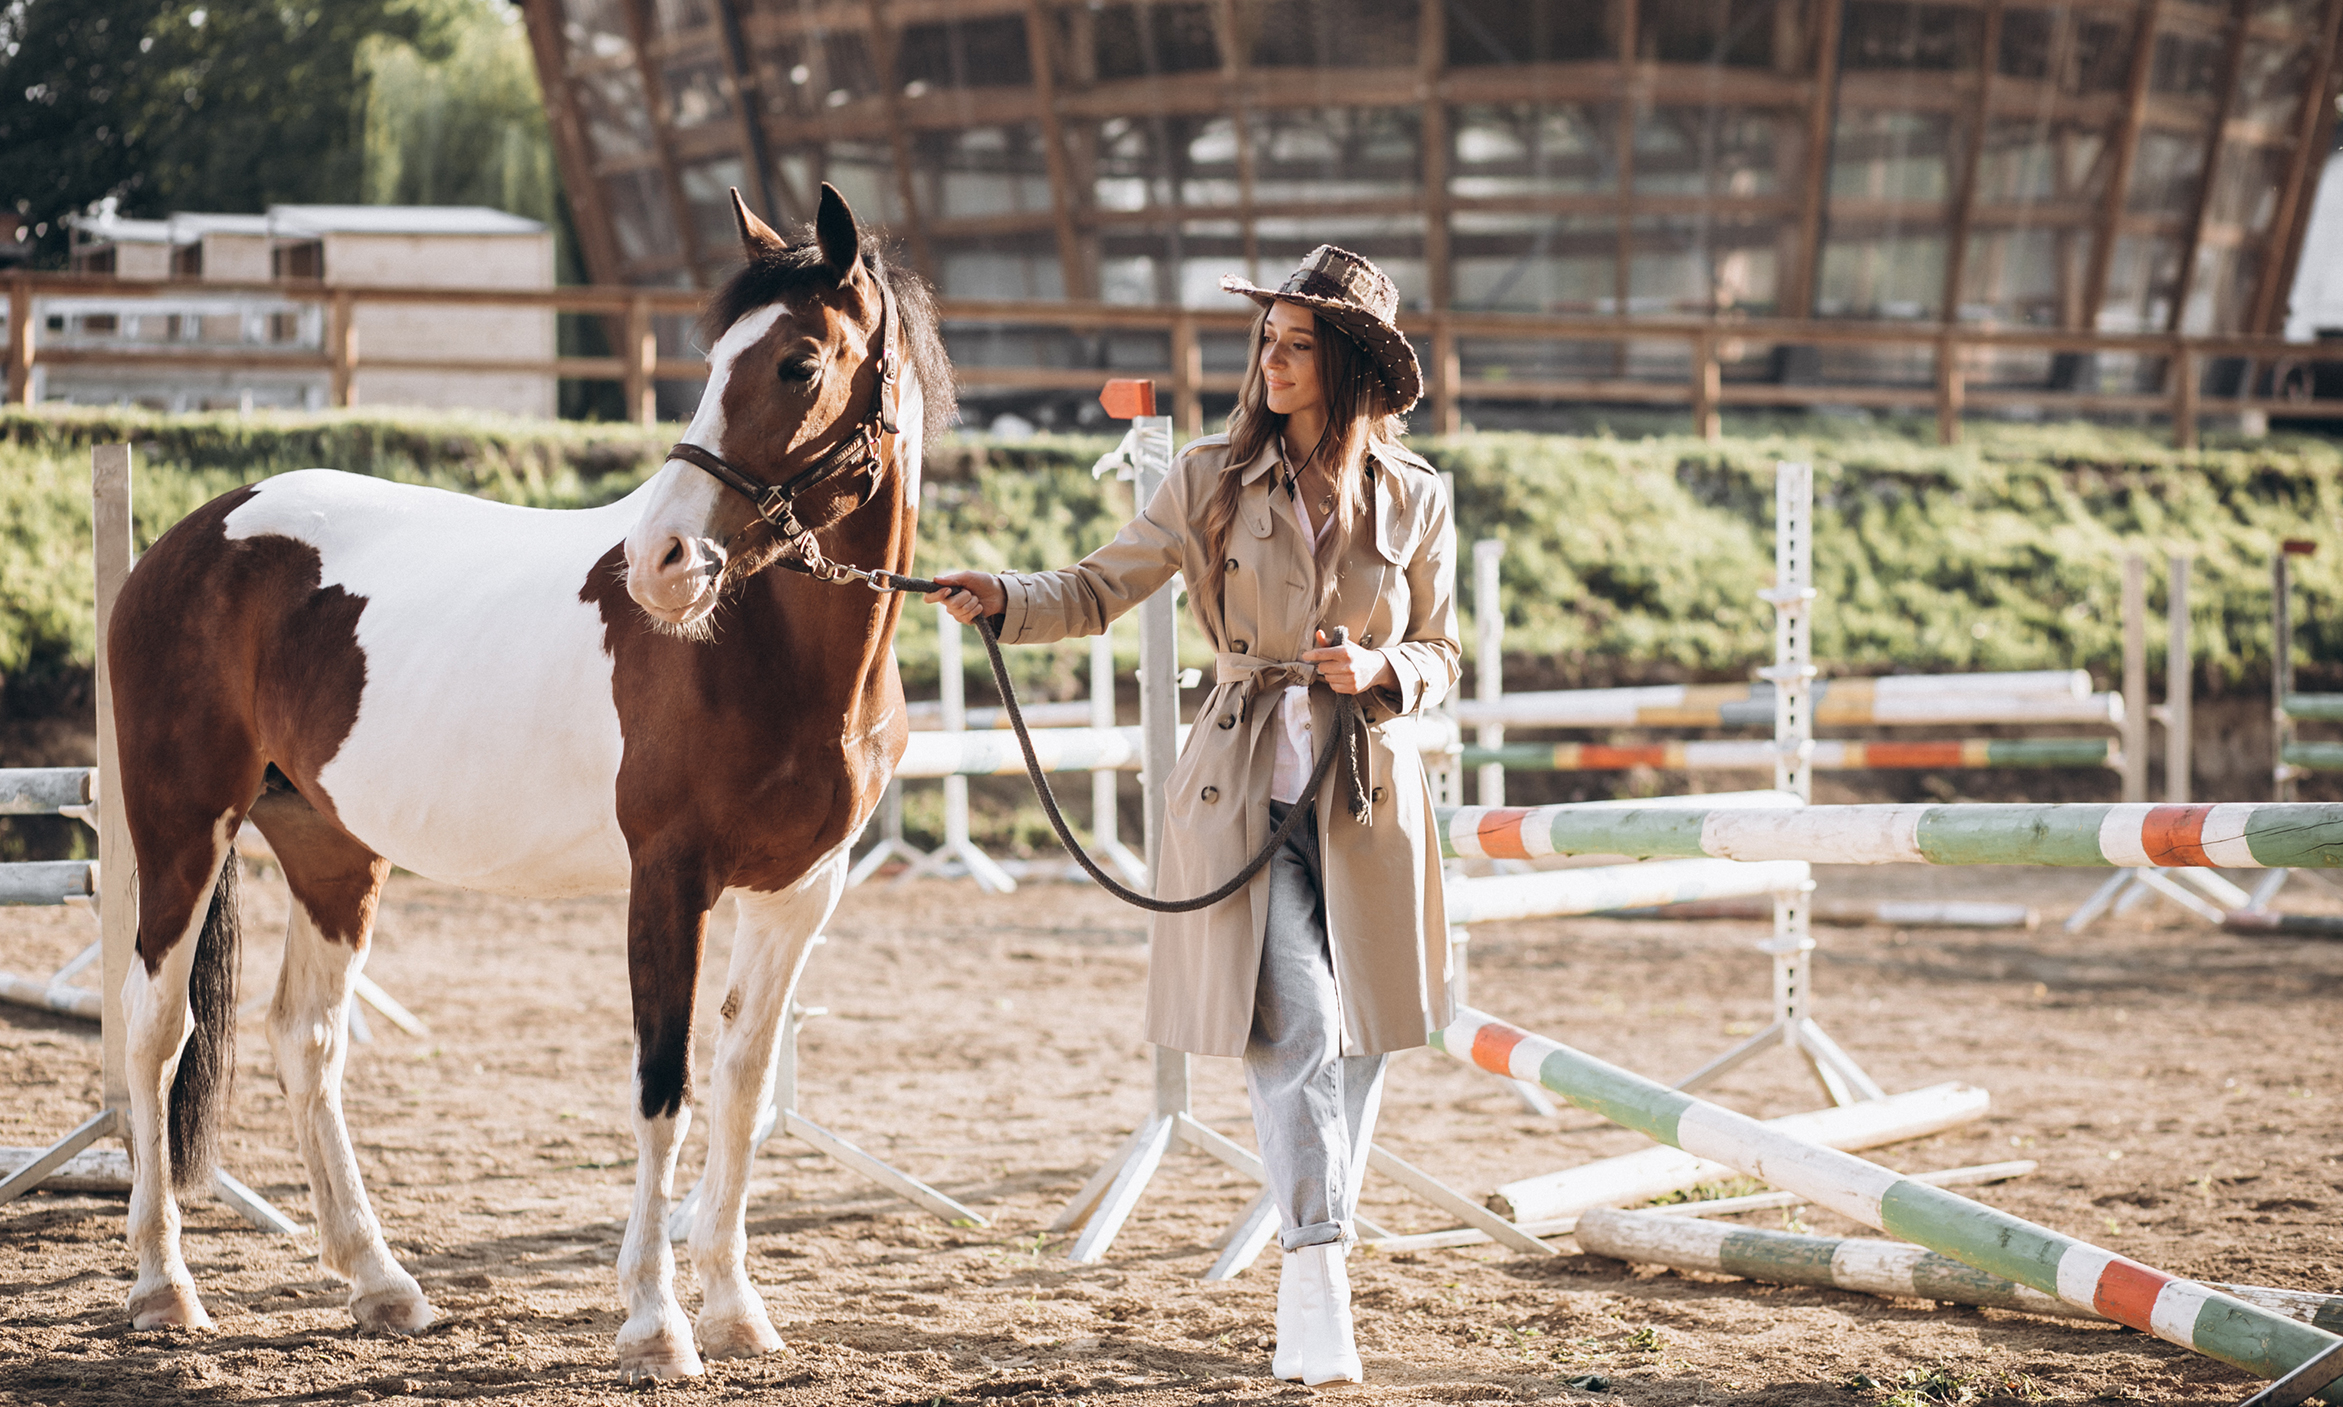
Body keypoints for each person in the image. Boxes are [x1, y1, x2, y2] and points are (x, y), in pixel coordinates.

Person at [925, 245, 1458, 1387]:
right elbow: (1096, 585)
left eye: (1296, 344)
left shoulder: (1417, 497)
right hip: (1239, 797)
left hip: (1370, 806)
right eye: (1266, 339)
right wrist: (1003, 598)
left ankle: (1314, 1231)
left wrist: (1382, 668)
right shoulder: (1209, 478)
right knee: (1298, 1026)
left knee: (1362, 1046)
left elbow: (1445, 653)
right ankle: (1317, 1269)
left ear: (1350, 364)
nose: (1270, 360)